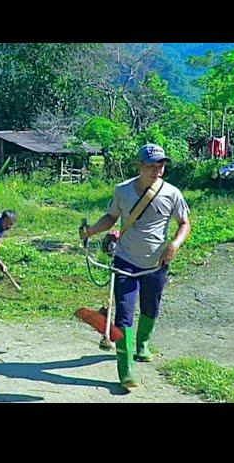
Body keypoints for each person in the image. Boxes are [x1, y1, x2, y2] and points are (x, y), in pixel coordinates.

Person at [79, 143, 191, 391]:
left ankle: (142, 344)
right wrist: (90, 232)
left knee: (151, 306)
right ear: (139, 165)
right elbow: (111, 218)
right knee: (124, 314)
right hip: (125, 261)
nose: (157, 170)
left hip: (156, 264)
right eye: (151, 166)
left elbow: (184, 223)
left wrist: (174, 244)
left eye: (160, 165)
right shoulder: (123, 191)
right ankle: (126, 371)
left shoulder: (172, 193)